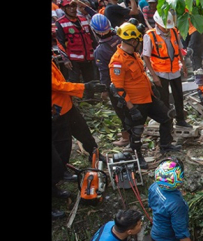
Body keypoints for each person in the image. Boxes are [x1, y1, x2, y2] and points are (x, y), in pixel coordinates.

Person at [109, 20, 181, 169]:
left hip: (148, 98)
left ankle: (165, 145)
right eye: (138, 40)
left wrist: (152, 88)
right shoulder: (117, 61)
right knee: (136, 132)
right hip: (135, 103)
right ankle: (138, 157)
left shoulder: (134, 55)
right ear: (132, 40)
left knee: (166, 117)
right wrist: (131, 108)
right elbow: (118, 89)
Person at [148, 158, 202, 241]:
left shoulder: (154, 187)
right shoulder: (176, 204)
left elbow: (151, 206)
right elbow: (181, 232)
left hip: (156, 236)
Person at [52, 57, 106, 180]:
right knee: (63, 143)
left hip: (66, 105)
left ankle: (94, 153)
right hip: (56, 111)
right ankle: (61, 171)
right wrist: (84, 87)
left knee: (83, 131)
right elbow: (57, 85)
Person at [143, 9, 191, 128]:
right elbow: (146, 56)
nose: (166, 29)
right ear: (158, 23)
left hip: (174, 70)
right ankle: (166, 122)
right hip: (160, 72)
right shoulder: (150, 36)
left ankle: (180, 119)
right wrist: (154, 76)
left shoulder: (174, 32)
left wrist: (183, 64)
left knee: (178, 96)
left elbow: (179, 50)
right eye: (165, 27)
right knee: (163, 99)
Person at [90, 13, 130, 147]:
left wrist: (104, 90)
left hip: (115, 85)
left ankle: (127, 137)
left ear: (95, 31)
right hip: (128, 78)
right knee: (128, 107)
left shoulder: (100, 51)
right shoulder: (119, 38)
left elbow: (104, 73)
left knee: (121, 111)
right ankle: (130, 131)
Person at [55, 0, 98, 100]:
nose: (72, 9)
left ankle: (90, 99)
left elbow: (92, 38)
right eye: (69, 7)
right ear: (64, 8)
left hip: (88, 56)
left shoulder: (83, 19)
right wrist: (65, 59)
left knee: (90, 79)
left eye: (73, 6)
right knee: (74, 81)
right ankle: (73, 101)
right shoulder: (60, 23)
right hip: (73, 59)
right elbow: (60, 43)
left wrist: (96, 52)